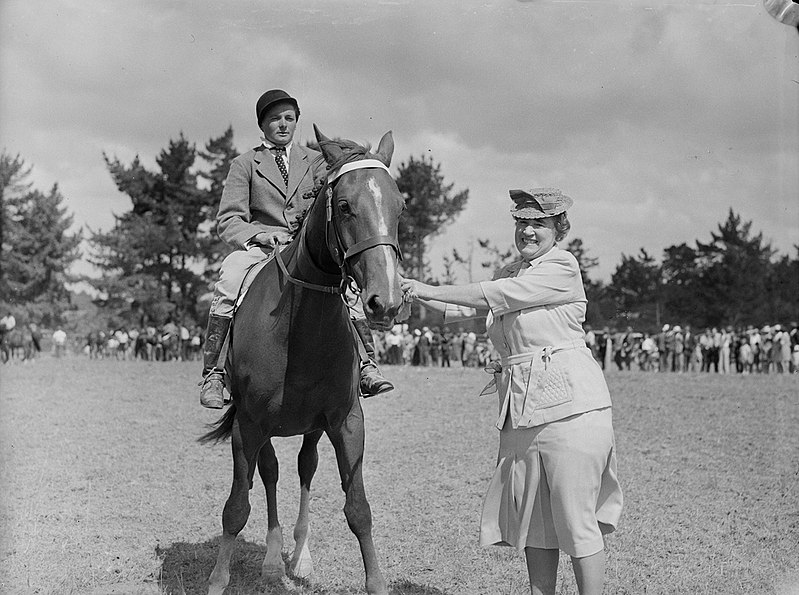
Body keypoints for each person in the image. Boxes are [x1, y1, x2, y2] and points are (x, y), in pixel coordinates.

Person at [401, 188, 622, 595]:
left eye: (539, 224)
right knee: (535, 524)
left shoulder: (561, 266)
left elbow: (492, 297)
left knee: (576, 522)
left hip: (571, 411)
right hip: (522, 411)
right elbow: (464, 309)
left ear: (559, 228)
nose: (528, 231)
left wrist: (425, 286)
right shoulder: (510, 271)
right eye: (522, 223)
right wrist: (404, 289)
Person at [199, 88, 393, 408]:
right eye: (275, 119)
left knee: (348, 289)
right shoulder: (245, 163)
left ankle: (367, 365)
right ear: (263, 125)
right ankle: (214, 373)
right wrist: (258, 236)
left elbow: (339, 187)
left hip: (307, 248)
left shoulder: (316, 160)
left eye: (289, 118)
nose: (283, 125)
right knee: (229, 277)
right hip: (262, 247)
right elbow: (228, 219)